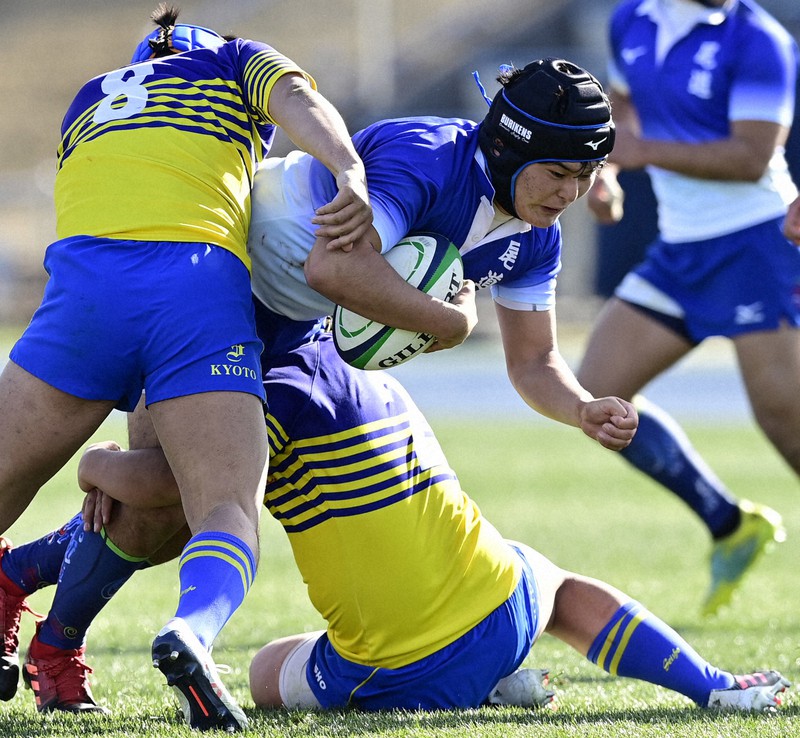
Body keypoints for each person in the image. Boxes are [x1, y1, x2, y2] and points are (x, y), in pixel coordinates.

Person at [1, 57, 641, 725]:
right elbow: (333, 266)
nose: (571, 193)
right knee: (171, 498)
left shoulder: (535, 238)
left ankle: (25, 588)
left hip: (292, 330)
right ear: (507, 146)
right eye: (560, 172)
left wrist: (580, 407)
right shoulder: (426, 160)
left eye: (587, 175)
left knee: (179, 509)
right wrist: (449, 322)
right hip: (222, 295)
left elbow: (534, 360)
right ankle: (56, 625)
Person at [1, 319, 792, 718]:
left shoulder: (233, 389)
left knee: (263, 669)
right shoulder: (363, 355)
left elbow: (157, 487)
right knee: (551, 578)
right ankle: (710, 686)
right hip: (501, 609)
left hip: (387, 670)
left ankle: (50, 618)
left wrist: (95, 463)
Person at [0, 3, 373, 730]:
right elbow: (297, 99)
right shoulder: (237, 61)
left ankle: (48, 626)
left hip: (83, 289)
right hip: (197, 289)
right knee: (224, 507)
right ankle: (192, 629)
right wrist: (348, 168)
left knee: (133, 494)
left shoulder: (91, 97)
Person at [582, 0, 799, 617]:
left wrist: (637, 151)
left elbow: (750, 157)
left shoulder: (760, 40)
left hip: (758, 244)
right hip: (680, 250)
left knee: (787, 425)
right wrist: (608, 171)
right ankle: (729, 523)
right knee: (595, 393)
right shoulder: (630, 20)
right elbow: (622, 108)